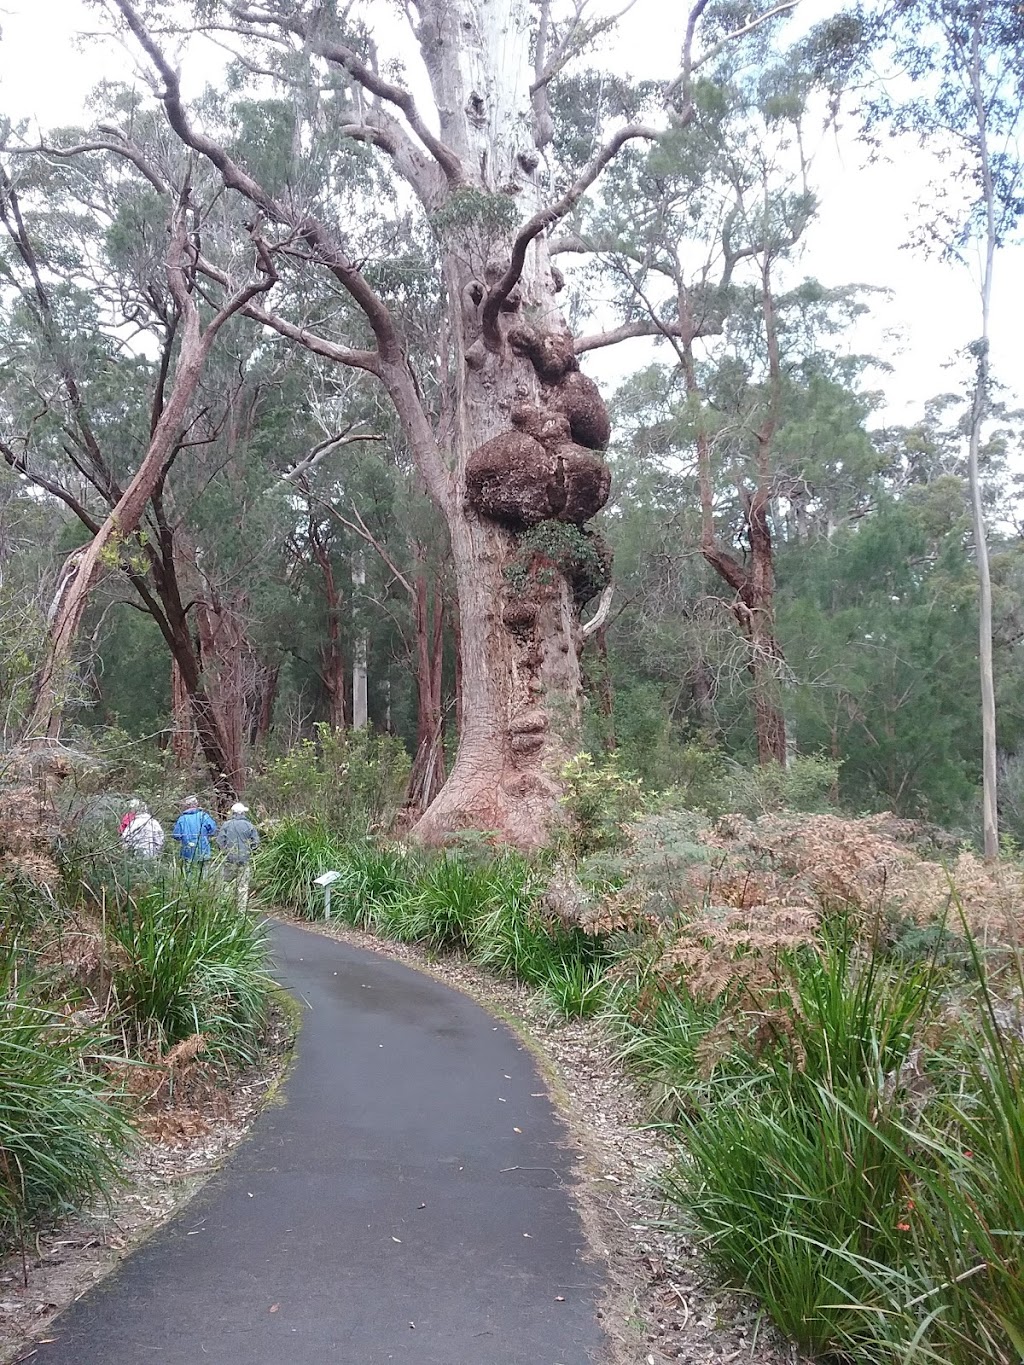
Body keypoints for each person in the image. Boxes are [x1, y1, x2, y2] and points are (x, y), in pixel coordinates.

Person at [216, 802, 260, 910]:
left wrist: (225, 852)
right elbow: (256, 842)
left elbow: (220, 841)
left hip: (229, 859)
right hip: (244, 859)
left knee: (227, 884)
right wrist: (250, 851)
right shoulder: (249, 825)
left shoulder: (226, 825)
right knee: (243, 886)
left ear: (233, 813)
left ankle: (225, 908)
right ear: (243, 813)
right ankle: (241, 910)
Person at [171, 795, 217, 871]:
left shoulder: (182, 819)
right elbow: (213, 829)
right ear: (196, 804)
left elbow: (176, 835)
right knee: (203, 873)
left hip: (187, 851)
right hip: (203, 850)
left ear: (186, 806)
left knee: (189, 873)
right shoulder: (204, 816)